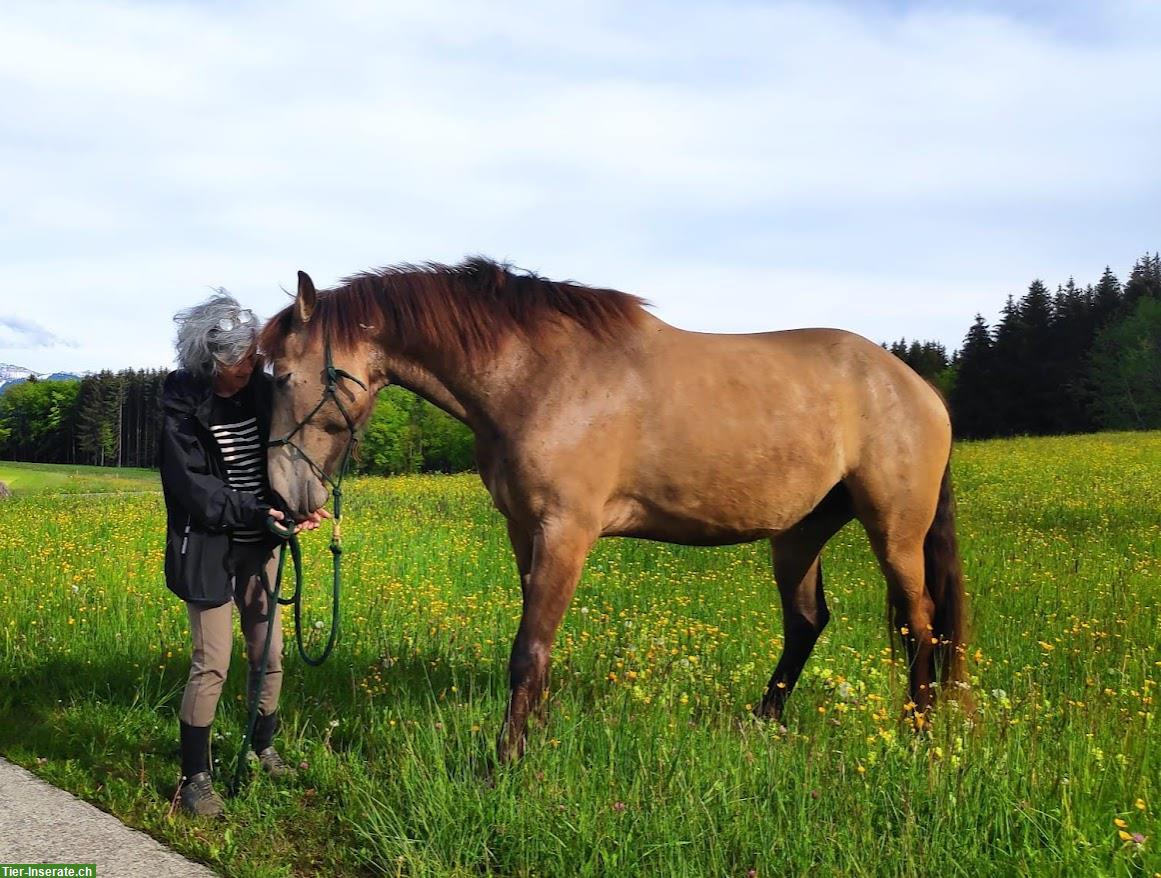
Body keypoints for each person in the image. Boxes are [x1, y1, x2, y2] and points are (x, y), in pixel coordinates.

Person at [159, 291, 324, 817]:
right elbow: (195, 490)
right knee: (213, 664)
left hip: (260, 544)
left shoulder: (261, 390)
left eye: (253, 355)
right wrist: (254, 513)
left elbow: (286, 456)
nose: (252, 367)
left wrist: (296, 508)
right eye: (240, 361)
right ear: (210, 365)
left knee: (269, 654)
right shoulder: (180, 404)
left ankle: (263, 745)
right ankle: (195, 779)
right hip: (206, 546)